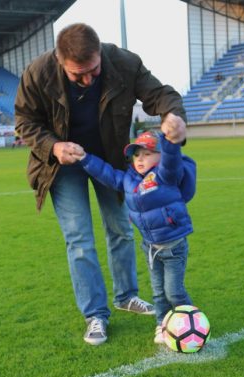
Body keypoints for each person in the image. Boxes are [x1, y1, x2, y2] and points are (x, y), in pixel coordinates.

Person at [14, 23, 187, 345]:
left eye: (93, 70)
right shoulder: (38, 73)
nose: (87, 80)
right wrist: (53, 146)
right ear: (59, 59)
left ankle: (126, 296)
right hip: (62, 165)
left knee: (120, 228)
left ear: (99, 55)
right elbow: (25, 121)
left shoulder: (123, 62)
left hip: (109, 159)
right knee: (79, 239)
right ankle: (95, 314)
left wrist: (172, 115)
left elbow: (160, 95)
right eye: (77, 75)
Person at [75, 130, 196, 344]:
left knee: (174, 292)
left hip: (174, 246)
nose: (140, 159)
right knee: (159, 294)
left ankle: (192, 322)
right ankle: (163, 325)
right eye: (136, 154)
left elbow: (172, 161)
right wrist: (85, 159)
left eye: (147, 153)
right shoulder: (129, 180)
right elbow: (108, 174)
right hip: (150, 248)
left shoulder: (166, 175)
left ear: (160, 156)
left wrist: (170, 142)